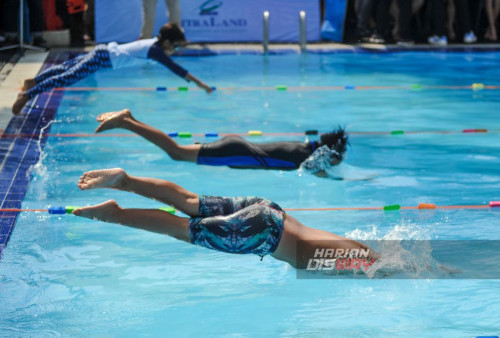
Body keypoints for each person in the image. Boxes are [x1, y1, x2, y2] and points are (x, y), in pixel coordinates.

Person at [73, 168, 377, 269]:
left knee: (190, 201)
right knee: (182, 229)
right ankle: (116, 214)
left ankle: (126, 181)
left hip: (270, 210)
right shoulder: (365, 266)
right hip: (264, 234)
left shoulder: (362, 250)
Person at [12, 23, 212, 115]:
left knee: (66, 69)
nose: (175, 50)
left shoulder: (154, 45)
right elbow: (175, 69)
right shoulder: (155, 50)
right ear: (167, 42)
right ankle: (28, 95)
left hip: (104, 53)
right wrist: (201, 84)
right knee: (68, 77)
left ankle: (33, 82)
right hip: (104, 58)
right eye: (175, 46)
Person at [92, 109, 349, 177]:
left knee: (177, 152)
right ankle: (126, 122)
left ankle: (132, 120)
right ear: (329, 152)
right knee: (176, 153)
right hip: (234, 152)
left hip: (235, 148)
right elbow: (321, 172)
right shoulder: (307, 158)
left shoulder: (304, 147)